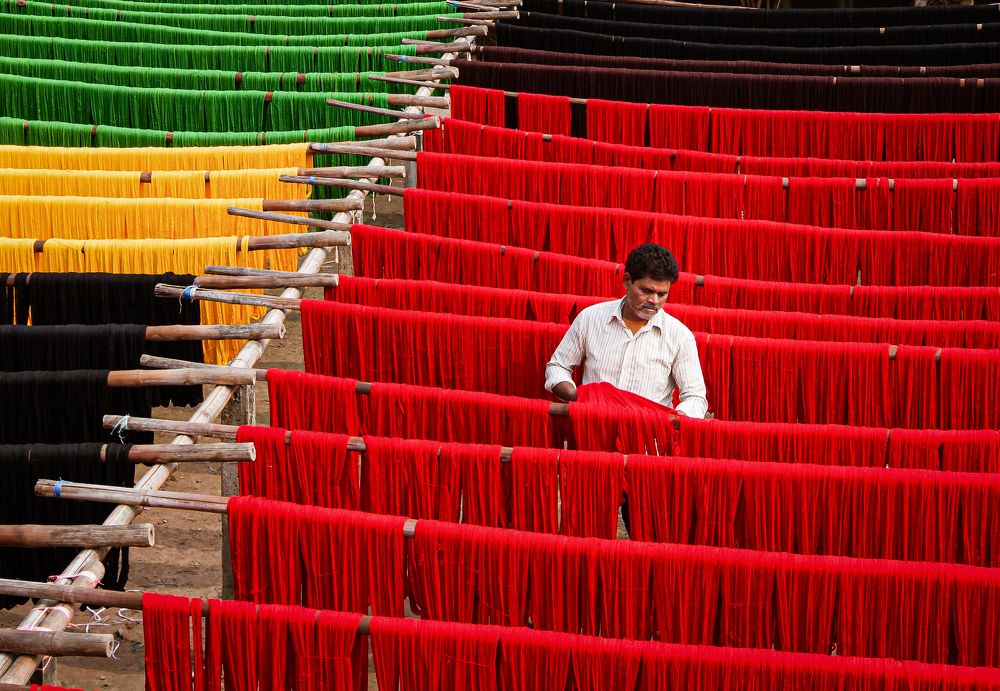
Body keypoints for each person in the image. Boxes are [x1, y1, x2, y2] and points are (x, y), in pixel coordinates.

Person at [543, 243, 708, 418]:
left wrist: (670, 420)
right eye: (646, 291)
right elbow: (558, 366)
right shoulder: (590, 318)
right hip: (592, 428)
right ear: (627, 280)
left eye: (662, 294)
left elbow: (695, 397)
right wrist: (582, 398)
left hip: (650, 438)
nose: (654, 301)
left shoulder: (680, 336)